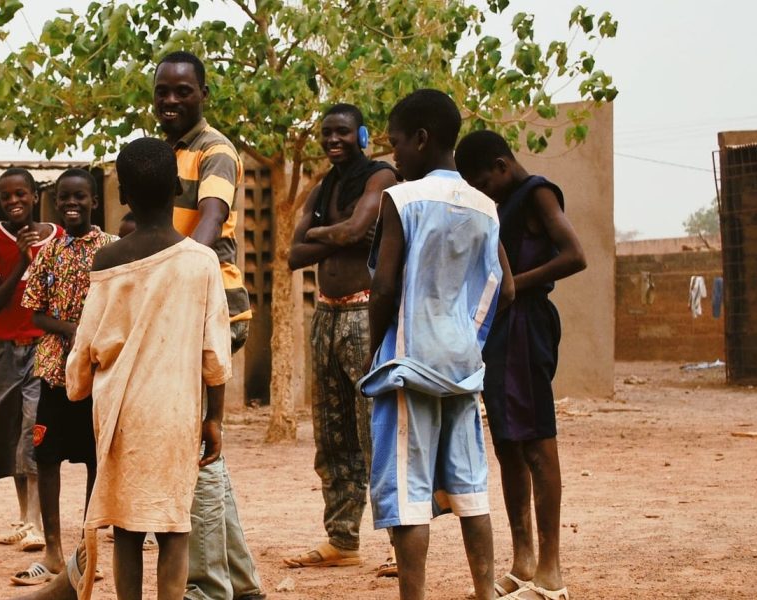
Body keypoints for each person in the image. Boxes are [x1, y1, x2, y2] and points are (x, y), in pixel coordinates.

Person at [356, 89, 514, 600]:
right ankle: (486, 590)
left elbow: (383, 285)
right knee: (470, 488)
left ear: (421, 140)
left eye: (396, 143)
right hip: (462, 365)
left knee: (407, 490)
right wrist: (471, 335)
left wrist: (375, 348)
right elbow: (503, 286)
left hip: (409, 361)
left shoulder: (402, 199)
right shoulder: (486, 207)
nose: (394, 154)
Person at [65, 136, 233, 600]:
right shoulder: (201, 262)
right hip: (176, 414)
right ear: (180, 188)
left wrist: (77, 386)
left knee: (127, 526)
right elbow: (214, 353)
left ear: (122, 194)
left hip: (120, 416)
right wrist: (213, 417)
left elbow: (86, 348)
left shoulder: (107, 260)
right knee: (174, 526)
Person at [154, 49, 266, 600]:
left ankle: (205, 587)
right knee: (201, 439)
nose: (171, 100)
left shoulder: (214, 151)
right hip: (192, 301)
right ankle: (242, 585)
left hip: (211, 302)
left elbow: (211, 223)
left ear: (203, 93)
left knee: (191, 442)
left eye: (182, 91)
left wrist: (165, 279)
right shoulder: (170, 152)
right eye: (163, 91)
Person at [456, 130, 586, 600]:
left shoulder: (538, 193)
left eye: (482, 181)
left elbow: (575, 255)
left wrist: (510, 286)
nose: (481, 192)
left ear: (501, 164)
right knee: (508, 446)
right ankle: (524, 562)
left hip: (527, 326)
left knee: (536, 441)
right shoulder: (500, 204)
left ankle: (551, 573)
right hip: (499, 333)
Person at [285, 104, 400, 575]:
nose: (333, 140)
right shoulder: (325, 186)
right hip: (327, 316)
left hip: (363, 311)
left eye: (342, 132)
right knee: (332, 435)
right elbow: (294, 253)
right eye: (326, 132)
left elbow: (360, 229)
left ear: (363, 135)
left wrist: (325, 232)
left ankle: (399, 542)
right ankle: (341, 539)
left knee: (376, 429)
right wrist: (343, 235)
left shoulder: (381, 177)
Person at [13, 169, 116, 585]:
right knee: (48, 455)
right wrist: (68, 328)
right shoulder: (49, 253)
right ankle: (53, 552)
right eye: (64, 199)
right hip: (56, 370)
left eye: (80, 198)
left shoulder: (112, 249)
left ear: (94, 201)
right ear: (55, 205)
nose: (72, 204)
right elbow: (35, 312)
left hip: (100, 370)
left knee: (96, 459)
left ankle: (87, 551)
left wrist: (90, 334)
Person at [0, 168, 62, 551]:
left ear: (34, 195)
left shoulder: (57, 238)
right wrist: (24, 263)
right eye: (6, 196)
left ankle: (37, 524)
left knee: (33, 430)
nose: (14, 202)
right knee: (5, 427)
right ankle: (25, 516)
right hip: (4, 350)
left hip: (41, 346)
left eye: (20, 194)